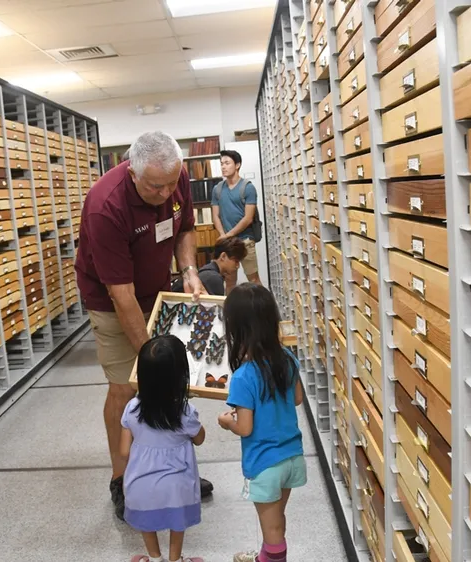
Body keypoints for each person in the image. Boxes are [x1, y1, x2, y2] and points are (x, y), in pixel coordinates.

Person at [75, 131, 212, 520]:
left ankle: (169, 469)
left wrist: (187, 269)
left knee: (168, 382)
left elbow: (184, 226)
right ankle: (122, 479)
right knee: (126, 385)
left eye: (172, 183)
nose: (167, 191)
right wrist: (152, 362)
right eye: (156, 186)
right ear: (132, 172)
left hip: (158, 290)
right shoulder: (106, 206)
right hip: (112, 298)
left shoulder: (172, 176)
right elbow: (121, 295)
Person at [217, 284, 306, 562]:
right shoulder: (287, 359)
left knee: (273, 529)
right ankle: (265, 556)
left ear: (237, 329)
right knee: (277, 521)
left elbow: (245, 427)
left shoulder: (244, 376)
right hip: (292, 457)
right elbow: (297, 399)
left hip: (265, 463)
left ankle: (272, 557)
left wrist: (225, 422)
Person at [121, 336, 205, 562]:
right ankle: (175, 559)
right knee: (177, 523)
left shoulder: (132, 409)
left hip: (140, 485)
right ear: (180, 376)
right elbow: (200, 439)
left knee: (146, 521)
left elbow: (124, 451)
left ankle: (155, 558)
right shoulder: (185, 411)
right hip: (177, 486)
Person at [212, 150, 262, 293]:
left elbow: (248, 218)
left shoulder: (248, 187)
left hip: (245, 241)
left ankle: (263, 311)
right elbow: (216, 215)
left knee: (253, 279)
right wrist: (223, 235)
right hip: (227, 243)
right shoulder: (217, 189)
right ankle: (230, 314)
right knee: (229, 282)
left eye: (227, 163)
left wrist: (228, 235)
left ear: (237, 165)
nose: (223, 167)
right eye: (221, 164)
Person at [171, 236, 248, 296]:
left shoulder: (207, 272)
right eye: (236, 261)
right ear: (223, 256)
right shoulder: (214, 278)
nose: (238, 266)